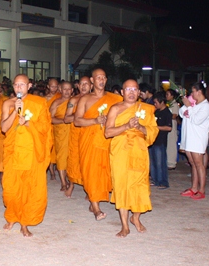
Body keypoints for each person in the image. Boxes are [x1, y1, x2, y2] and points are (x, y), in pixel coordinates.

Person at [105, 79, 158, 238]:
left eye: (135, 89)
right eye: (128, 89)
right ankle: (125, 225)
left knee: (140, 186)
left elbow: (153, 131)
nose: (131, 92)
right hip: (120, 151)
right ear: (122, 92)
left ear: (139, 92)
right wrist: (126, 126)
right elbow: (108, 133)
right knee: (122, 186)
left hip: (138, 151)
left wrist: (140, 127)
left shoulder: (146, 109)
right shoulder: (115, 109)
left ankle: (135, 217)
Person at [0, 74, 52, 237]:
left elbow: (45, 129)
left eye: (22, 85)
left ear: (29, 86)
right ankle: (12, 216)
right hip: (14, 153)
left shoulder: (39, 103)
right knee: (10, 189)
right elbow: (3, 127)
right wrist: (15, 112)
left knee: (30, 189)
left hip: (31, 153)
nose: (19, 88)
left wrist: (29, 123)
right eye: (16, 85)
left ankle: (24, 222)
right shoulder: (7, 104)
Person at [74, 68, 123, 221]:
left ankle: (93, 200)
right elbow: (77, 120)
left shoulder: (115, 98)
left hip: (108, 141)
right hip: (90, 141)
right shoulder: (85, 99)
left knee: (106, 172)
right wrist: (95, 120)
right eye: (98, 77)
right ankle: (95, 208)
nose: (101, 80)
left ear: (106, 80)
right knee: (91, 173)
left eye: (103, 77)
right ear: (92, 80)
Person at [179, 82, 209, 200]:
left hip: (198, 138)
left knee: (199, 164)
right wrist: (187, 107)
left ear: (199, 92)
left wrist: (189, 107)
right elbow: (181, 113)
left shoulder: (205, 106)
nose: (191, 94)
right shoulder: (194, 104)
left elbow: (197, 120)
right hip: (189, 137)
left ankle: (202, 189)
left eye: (193, 91)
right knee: (192, 163)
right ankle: (194, 187)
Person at [63, 76, 92, 198]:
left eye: (87, 84)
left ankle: (89, 188)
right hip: (76, 133)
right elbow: (66, 118)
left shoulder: (95, 100)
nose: (84, 86)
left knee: (89, 162)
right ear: (78, 86)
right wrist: (79, 115)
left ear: (91, 86)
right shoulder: (73, 101)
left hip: (90, 134)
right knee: (74, 160)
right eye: (82, 84)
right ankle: (71, 185)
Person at [49, 81, 73, 191]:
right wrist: (63, 121)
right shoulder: (56, 103)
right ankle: (63, 182)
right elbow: (50, 119)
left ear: (72, 90)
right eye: (65, 89)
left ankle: (70, 178)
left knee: (72, 157)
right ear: (60, 90)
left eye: (69, 89)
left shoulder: (75, 101)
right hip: (61, 133)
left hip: (73, 132)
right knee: (62, 157)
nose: (67, 91)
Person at [150, 92, 172, 188]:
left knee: (160, 163)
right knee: (153, 162)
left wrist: (156, 127)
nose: (155, 105)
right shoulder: (156, 111)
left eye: (156, 102)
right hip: (153, 140)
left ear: (162, 102)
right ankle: (156, 180)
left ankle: (163, 182)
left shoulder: (167, 113)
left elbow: (169, 127)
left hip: (161, 141)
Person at [45, 78, 61, 181]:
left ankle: (58, 169)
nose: (54, 88)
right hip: (49, 125)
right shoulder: (45, 98)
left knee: (59, 149)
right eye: (52, 86)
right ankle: (51, 172)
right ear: (48, 86)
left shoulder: (61, 97)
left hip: (59, 126)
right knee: (50, 149)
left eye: (55, 86)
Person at [165, 89, 180, 170]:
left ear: (172, 96)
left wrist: (165, 115)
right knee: (168, 143)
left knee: (172, 144)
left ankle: (172, 163)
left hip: (172, 124)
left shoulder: (174, 104)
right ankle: (168, 161)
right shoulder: (168, 103)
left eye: (168, 94)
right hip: (167, 124)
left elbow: (174, 115)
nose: (166, 96)